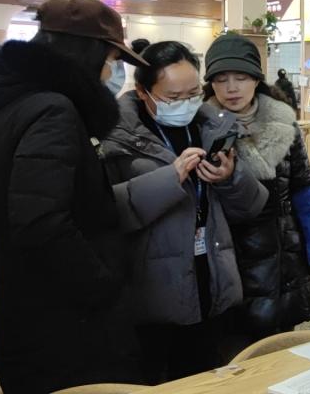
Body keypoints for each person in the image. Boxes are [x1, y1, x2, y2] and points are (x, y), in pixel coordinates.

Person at [0, 0, 147, 393]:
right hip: (61, 318)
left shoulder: (11, 103)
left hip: (22, 301)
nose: (112, 71)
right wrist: (101, 284)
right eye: (111, 58)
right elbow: (40, 221)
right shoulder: (53, 110)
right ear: (88, 52)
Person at [99, 41, 267, 384]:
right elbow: (107, 213)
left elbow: (250, 206)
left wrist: (230, 178)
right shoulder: (115, 138)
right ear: (144, 92)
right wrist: (170, 177)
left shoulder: (215, 127)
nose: (185, 104)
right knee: (158, 379)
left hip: (211, 278)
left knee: (206, 377)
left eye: (193, 94)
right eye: (173, 97)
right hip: (152, 292)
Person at [201, 33, 310, 356]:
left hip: (284, 250)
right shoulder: (201, 127)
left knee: (281, 347)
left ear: (256, 79)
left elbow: (302, 187)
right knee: (236, 353)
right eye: (221, 79)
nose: (231, 88)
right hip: (231, 254)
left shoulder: (283, 122)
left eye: (241, 77)